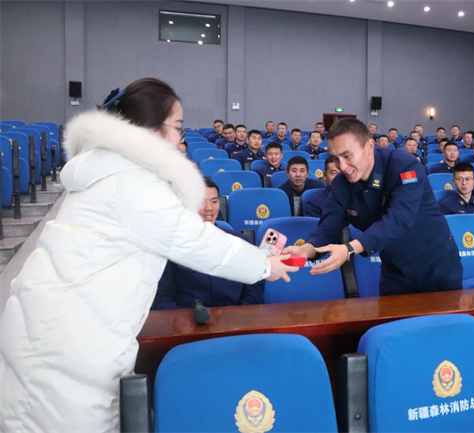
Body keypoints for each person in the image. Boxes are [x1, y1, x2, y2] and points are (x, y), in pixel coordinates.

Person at [0, 78, 297, 432]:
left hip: (52, 326)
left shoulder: (108, 169)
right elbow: (195, 241)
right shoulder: (134, 181)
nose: (179, 138)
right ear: (153, 129)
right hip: (70, 342)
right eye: (177, 126)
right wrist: (263, 264)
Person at [283, 118, 462, 296]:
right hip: (395, 269)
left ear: (369, 146)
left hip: (436, 265)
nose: (342, 167)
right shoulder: (341, 184)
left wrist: (349, 249)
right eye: (335, 159)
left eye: (347, 156)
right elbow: (328, 227)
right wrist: (306, 250)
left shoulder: (405, 166)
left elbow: (398, 219)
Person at [153, 178, 264, 309]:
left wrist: (239, 314)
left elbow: (254, 290)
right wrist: (187, 318)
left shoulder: (239, 242)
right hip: (188, 318)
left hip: (235, 317)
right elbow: (161, 297)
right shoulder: (172, 246)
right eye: (201, 202)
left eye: (214, 201)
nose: (209, 208)